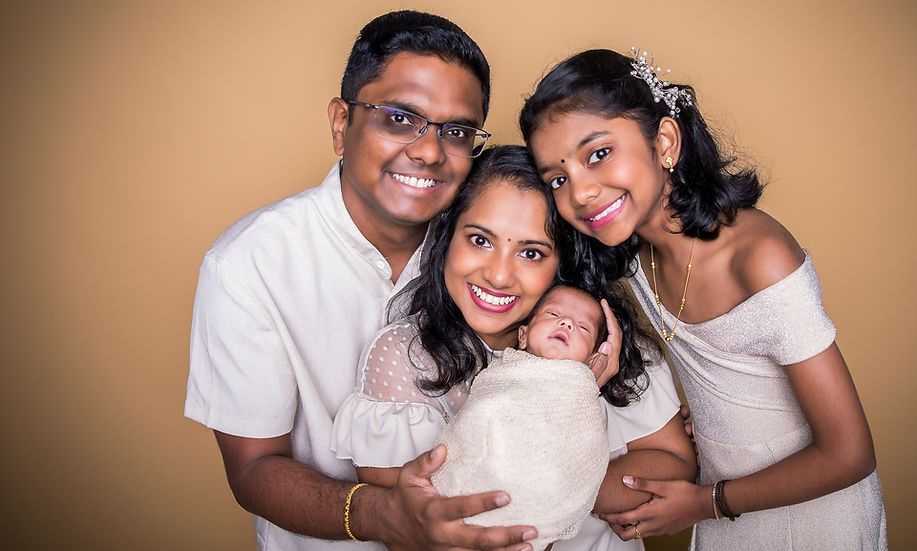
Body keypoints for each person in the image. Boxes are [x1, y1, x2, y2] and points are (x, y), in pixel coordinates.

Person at [184, 11, 539, 551]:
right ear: (340, 123)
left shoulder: (497, 249)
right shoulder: (248, 264)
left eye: (457, 131)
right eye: (400, 118)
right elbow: (254, 467)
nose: (428, 150)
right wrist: (384, 515)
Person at [519, 48, 887, 549]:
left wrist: (706, 502)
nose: (580, 192)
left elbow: (850, 454)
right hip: (727, 507)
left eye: (599, 153)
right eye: (558, 179)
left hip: (808, 516)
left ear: (665, 142)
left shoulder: (760, 258)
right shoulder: (633, 255)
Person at [331, 145, 697, 551]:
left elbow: (675, 467)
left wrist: (570, 404)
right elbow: (412, 533)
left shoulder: (604, 342)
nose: (499, 274)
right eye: (479, 240)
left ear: (562, 262)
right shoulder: (405, 358)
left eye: (530, 252)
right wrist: (567, 465)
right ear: (447, 238)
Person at [432, 285, 613, 551]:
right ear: (523, 335)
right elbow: (480, 415)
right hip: (473, 481)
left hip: (535, 497)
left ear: (591, 359)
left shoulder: (580, 398)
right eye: (553, 314)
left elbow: (583, 452)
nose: (567, 323)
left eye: (583, 328)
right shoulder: (502, 375)